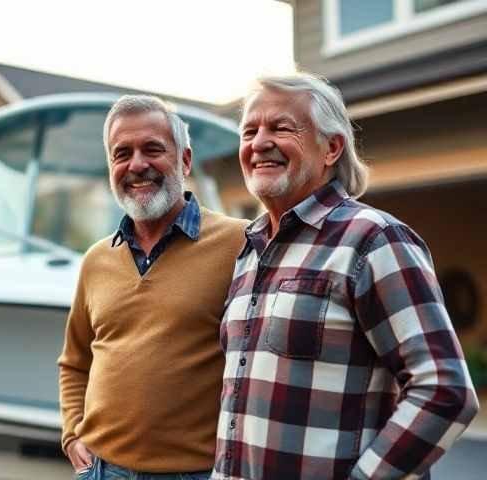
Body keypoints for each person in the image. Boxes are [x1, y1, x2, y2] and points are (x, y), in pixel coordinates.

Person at [212, 73, 479, 480]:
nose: (259, 142)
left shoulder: (374, 240)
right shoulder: (249, 251)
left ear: (332, 148)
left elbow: (445, 390)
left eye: (281, 127)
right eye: (250, 131)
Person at [58, 95, 248, 479]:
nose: (137, 165)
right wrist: (73, 434)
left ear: (186, 160)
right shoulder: (96, 259)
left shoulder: (241, 244)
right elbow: (75, 362)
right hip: (101, 471)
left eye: (153, 149)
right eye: (121, 153)